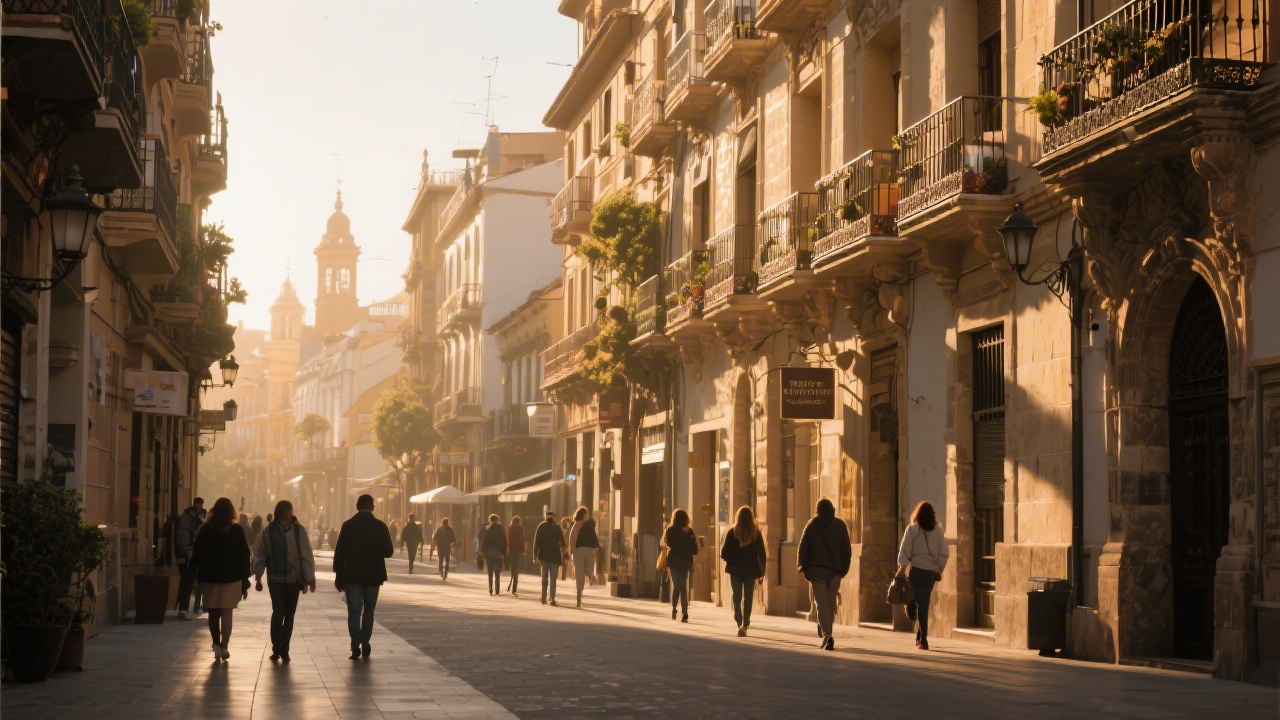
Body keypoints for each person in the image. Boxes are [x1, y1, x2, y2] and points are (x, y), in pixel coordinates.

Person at [252, 500, 316, 663]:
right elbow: (261, 555)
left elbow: (306, 554)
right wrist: (258, 577)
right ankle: (276, 645)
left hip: (294, 579)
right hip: (276, 579)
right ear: (280, 513)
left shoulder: (299, 530)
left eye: (291, 512)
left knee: (289, 615)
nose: (289, 514)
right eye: (287, 511)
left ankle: (285, 648)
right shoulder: (269, 531)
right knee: (278, 612)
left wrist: (310, 578)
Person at [333, 494, 394, 659]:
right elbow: (389, 552)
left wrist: (338, 575)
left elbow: (340, 553)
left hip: (352, 576)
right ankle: (366, 642)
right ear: (372, 507)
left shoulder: (348, 526)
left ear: (357, 507)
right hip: (374, 576)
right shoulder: (380, 526)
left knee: (354, 611)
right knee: (369, 611)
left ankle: (355, 644)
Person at [190, 498, 251, 661]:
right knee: (227, 612)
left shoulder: (206, 530)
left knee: (213, 612)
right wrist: (245, 580)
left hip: (209, 577)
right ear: (232, 512)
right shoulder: (237, 531)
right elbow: (244, 556)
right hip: (232, 578)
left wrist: (193, 574)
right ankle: (225, 646)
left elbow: (197, 554)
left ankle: (216, 643)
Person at [798, 498, 853, 651]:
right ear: (832, 510)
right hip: (835, 572)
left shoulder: (811, 526)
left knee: (821, 604)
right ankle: (827, 631)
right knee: (830, 604)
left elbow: (803, 549)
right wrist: (843, 570)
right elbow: (846, 551)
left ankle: (827, 634)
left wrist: (804, 568)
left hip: (816, 572)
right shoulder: (840, 525)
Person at [895, 501, 949, 651]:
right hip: (930, 573)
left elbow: (905, 550)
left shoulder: (912, 529)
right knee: (923, 603)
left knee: (921, 604)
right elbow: (944, 553)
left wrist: (902, 568)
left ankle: (923, 639)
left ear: (917, 514)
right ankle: (920, 636)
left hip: (917, 571)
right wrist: (939, 570)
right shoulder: (938, 532)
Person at [720, 505, 767, 637]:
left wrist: (735, 553)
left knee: (737, 596)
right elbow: (762, 554)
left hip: (735, 570)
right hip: (750, 571)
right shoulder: (756, 534)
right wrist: (762, 572)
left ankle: (738, 618)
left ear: (738, 517)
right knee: (748, 597)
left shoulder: (732, 532)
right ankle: (745, 623)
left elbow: (724, 553)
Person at [663, 508, 699, 623]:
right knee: (682, 587)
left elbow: (668, 543)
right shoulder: (690, 532)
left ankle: (678, 610)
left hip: (674, 561)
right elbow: (695, 549)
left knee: (678, 587)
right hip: (686, 562)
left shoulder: (671, 530)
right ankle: (683, 612)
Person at [173, 497, 205, 619]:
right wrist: (187, 551)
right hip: (187, 555)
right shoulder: (188, 517)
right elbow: (184, 535)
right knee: (186, 581)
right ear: (195, 504)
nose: (200, 507)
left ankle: (183, 608)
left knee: (187, 581)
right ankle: (182, 609)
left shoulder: (195, 517)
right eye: (199, 505)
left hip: (190, 554)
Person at [568, 507, 599, 608]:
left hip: (578, 551)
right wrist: (595, 547)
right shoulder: (588, 525)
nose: (588, 515)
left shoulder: (576, 525)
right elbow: (594, 537)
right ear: (583, 515)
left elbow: (572, 538)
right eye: (586, 514)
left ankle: (578, 596)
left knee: (579, 574)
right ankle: (590, 576)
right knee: (589, 568)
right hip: (588, 550)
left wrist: (573, 550)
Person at [480, 514, 508, 596]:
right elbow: (504, 542)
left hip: (489, 553)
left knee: (490, 572)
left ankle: (490, 589)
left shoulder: (487, 528)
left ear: (490, 520)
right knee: (497, 572)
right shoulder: (501, 529)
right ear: (497, 520)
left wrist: (482, 551)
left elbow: (484, 541)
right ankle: (497, 590)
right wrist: (503, 553)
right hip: (498, 553)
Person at [506, 516, 526, 595]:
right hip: (518, 551)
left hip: (511, 550)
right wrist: (523, 550)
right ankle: (514, 587)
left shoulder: (510, 529)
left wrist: (507, 549)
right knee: (517, 568)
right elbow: (523, 540)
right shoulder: (521, 529)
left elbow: (507, 539)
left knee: (512, 567)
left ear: (512, 521)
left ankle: (512, 575)